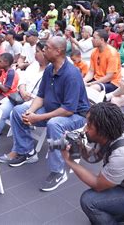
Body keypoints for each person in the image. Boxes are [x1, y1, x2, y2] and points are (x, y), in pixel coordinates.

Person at [7, 37, 90, 192]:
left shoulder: (71, 74)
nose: (43, 50)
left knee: (54, 124)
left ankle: (58, 171)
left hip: (76, 115)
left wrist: (37, 117)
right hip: (53, 109)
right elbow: (41, 96)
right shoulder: (49, 69)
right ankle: (27, 152)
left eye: (47, 47)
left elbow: (68, 110)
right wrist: (30, 111)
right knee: (19, 111)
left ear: (58, 51)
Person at [63, 102, 124, 224]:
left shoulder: (121, 155)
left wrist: (69, 161)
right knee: (98, 213)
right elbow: (93, 157)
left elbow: (98, 184)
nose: (85, 129)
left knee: (89, 201)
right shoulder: (111, 136)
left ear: (102, 131)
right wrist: (79, 147)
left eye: (89, 125)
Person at [0, 42, 48, 160]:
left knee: (16, 113)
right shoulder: (34, 65)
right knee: (1, 111)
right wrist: (23, 91)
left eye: (37, 51)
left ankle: (18, 150)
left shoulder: (50, 70)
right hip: (20, 96)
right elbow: (22, 80)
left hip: (35, 101)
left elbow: (44, 95)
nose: (35, 54)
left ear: (44, 53)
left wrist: (29, 97)